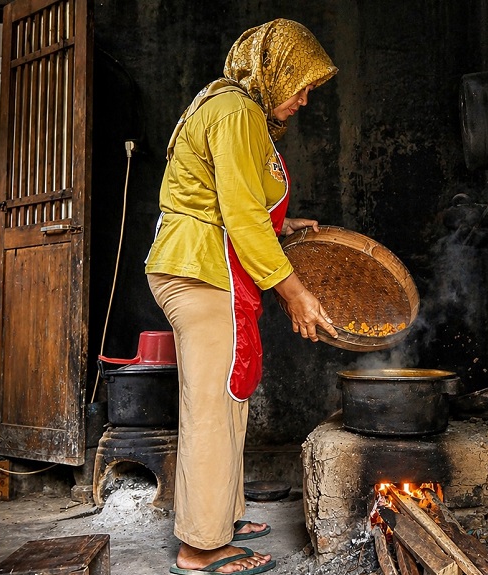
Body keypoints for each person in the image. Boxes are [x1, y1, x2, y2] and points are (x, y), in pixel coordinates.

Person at [145, 19, 339, 575]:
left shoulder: (234, 107)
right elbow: (241, 213)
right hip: (201, 270)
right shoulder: (236, 113)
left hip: (206, 265)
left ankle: (219, 520)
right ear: (273, 71)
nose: (304, 99)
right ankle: (200, 547)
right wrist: (294, 292)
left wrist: (284, 226)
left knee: (228, 396)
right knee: (211, 407)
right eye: (300, 85)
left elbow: (229, 200)